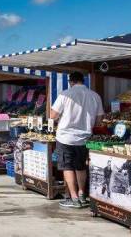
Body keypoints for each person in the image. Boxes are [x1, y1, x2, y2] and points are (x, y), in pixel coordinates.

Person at [50, 71, 104, 209]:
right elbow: (99, 121)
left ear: (70, 81)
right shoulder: (95, 96)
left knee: (67, 166)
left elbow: (53, 115)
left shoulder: (65, 94)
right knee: (81, 166)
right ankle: (82, 195)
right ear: (83, 81)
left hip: (65, 137)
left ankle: (73, 198)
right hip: (84, 138)